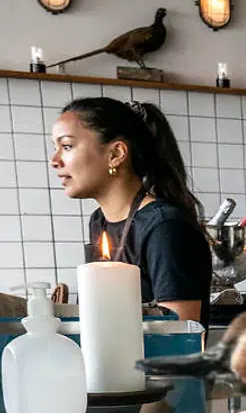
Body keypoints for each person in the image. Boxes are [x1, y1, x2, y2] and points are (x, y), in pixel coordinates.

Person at [51, 97, 212, 325]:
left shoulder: (165, 227)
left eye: (66, 146)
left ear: (116, 154)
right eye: (55, 148)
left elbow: (181, 338)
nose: (54, 160)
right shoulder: (99, 221)